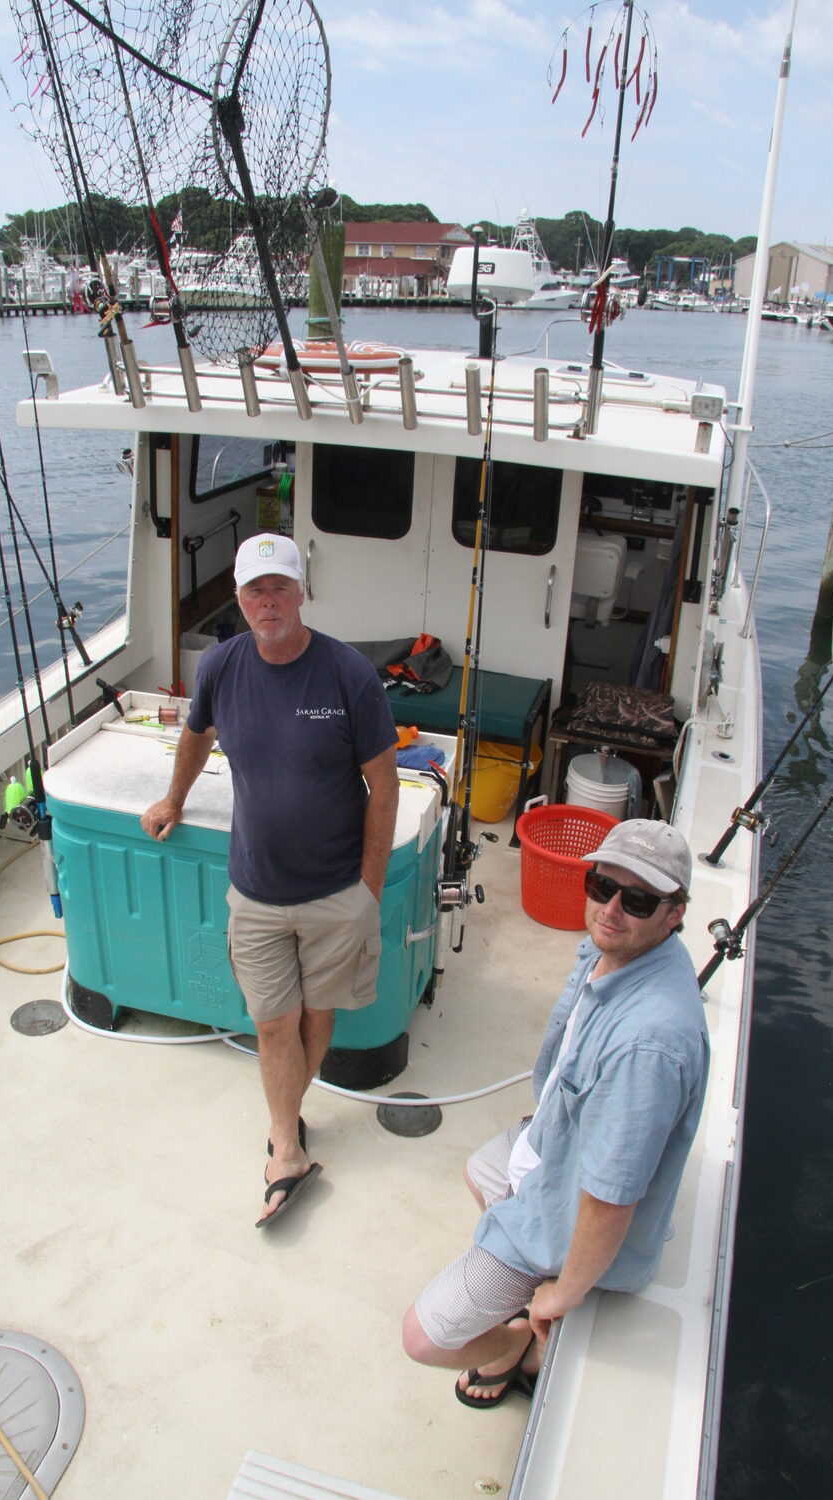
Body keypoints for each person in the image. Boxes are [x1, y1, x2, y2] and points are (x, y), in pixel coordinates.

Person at [402, 818, 709, 1408]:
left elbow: (609, 1199)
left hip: (571, 1215)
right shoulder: (610, 946)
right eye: (602, 885)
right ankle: (517, 1292)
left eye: (639, 899)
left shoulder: (649, 1045)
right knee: (479, 1168)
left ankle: (514, 1345)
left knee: (423, 1339)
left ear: (675, 913)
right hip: (551, 1157)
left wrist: (560, 1296)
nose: (611, 910)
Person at [140, 533, 399, 1228]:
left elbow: (385, 782)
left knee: (318, 1015)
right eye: (255, 590)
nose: (268, 602)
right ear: (239, 597)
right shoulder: (221, 666)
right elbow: (198, 732)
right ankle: (286, 1143)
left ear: (302, 591)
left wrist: (369, 891)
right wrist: (174, 798)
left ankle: (286, 1124)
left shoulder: (348, 675)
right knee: (274, 1020)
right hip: (255, 890)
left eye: (280, 587)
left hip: (336, 891)